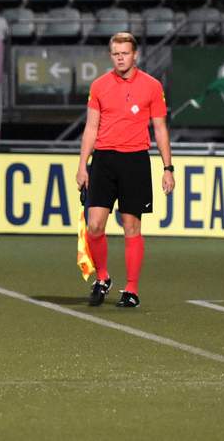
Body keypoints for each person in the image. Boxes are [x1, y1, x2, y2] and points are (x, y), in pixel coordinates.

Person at [76, 32, 175, 308]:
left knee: (131, 226)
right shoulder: (99, 86)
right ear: (111, 56)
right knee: (94, 225)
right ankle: (103, 277)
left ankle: (131, 290)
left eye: (125, 53)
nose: (120, 58)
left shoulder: (152, 86)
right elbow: (91, 127)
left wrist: (168, 168)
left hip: (135, 161)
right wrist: (82, 165)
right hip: (104, 161)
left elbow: (160, 129)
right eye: (116, 53)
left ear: (135, 55)